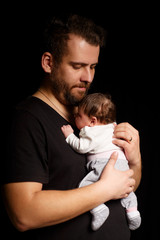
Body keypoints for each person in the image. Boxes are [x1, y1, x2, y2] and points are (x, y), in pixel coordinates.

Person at [2, 14, 142, 240]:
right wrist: (103, 190)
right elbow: (23, 213)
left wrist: (135, 160)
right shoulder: (28, 120)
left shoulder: (90, 115)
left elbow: (125, 185)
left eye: (93, 67)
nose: (88, 77)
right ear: (49, 62)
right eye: (77, 66)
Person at [61, 92, 141, 231]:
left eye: (79, 115)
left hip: (103, 164)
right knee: (128, 189)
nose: (75, 116)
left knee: (85, 186)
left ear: (92, 121)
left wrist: (69, 136)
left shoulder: (91, 131)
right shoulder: (112, 127)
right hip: (122, 163)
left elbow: (82, 147)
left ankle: (98, 209)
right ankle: (133, 213)